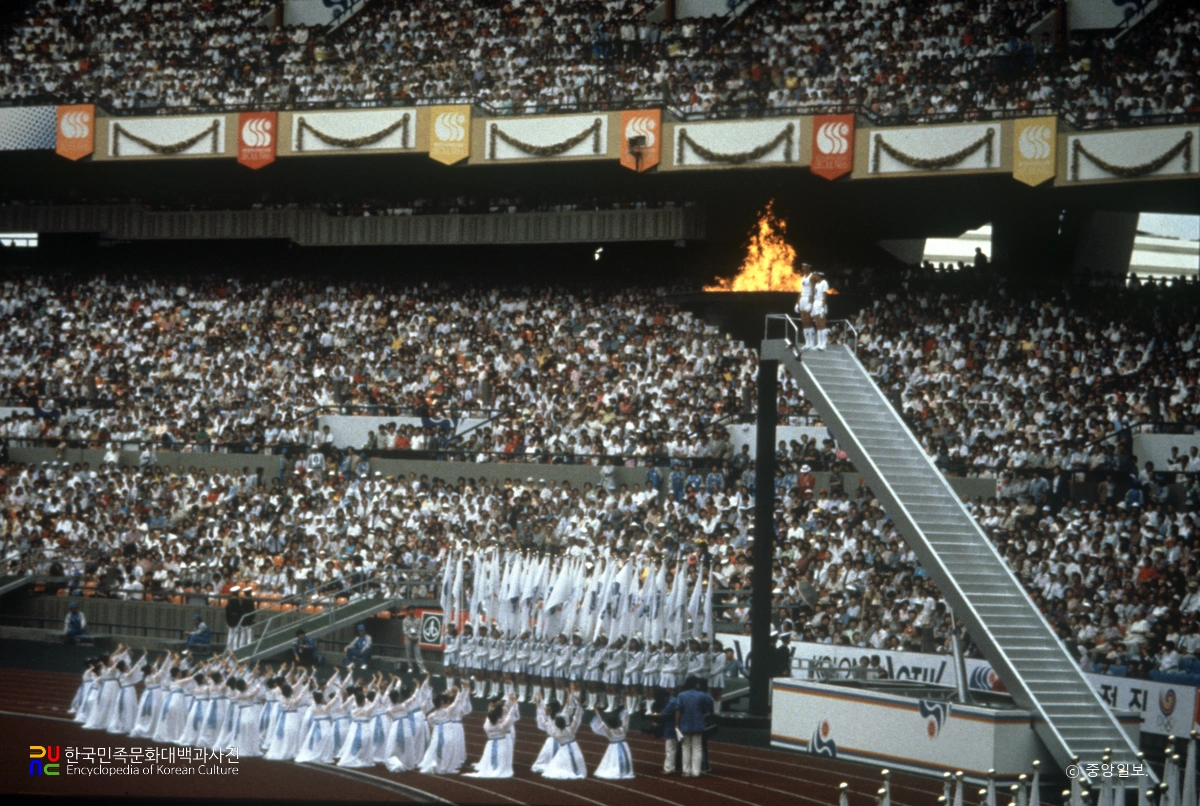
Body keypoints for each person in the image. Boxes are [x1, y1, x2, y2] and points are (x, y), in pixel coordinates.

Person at [419, 685, 471, 774]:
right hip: (447, 730)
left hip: (437, 730)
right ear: (442, 703)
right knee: (447, 747)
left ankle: (436, 762)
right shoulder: (447, 711)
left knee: (435, 747)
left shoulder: (431, 715)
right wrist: (459, 691)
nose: (448, 703)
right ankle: (445, 765)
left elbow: (431, 724)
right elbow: (457, 702)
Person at [539, 685, 587, 780]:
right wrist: (572, 697)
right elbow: (573, 714)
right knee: (577, 760)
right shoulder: (569, 728)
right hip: (573, 745)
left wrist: (540, 702)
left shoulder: (554, 732)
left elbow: (548, 725)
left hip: (562, 746)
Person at [465, 694, 519, 778]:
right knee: (502, 757)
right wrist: (515, 704)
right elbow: (510, 716)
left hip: (490, 744)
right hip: (502, 743)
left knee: (491, 757)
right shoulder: (502, 727)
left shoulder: (486, 726)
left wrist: (489, 710)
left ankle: (493, 768)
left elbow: (491, 716)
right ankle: (500, 768)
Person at [674, 675, 713, 778]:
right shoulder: (702, 695)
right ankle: (696, 771)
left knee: (685, 747)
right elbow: (708, 708)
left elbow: (678, 710)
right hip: (698, 723)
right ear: (696, 684)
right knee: (697, 747)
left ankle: (686, 771)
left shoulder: (681, 695)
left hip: (685, 723)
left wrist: (677, 723)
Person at [590, 705, 635, 779]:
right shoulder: (623, 729)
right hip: (624, 745)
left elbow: (600, 721)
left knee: (612, 759)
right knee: (624, 757)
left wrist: (596, 710)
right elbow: (625, 718)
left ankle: (617, 770)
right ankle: (626, 770)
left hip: (613, 747)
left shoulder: (609, 731)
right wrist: (625, 704)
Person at [656, 686, 682, 774]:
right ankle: (672, 766)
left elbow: (664, 714)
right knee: (672, 748)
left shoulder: (671, 702)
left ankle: (668, 768)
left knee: (670, 748)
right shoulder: (672, 700)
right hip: (671, 727)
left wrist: (653, 714)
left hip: (671, 727)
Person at [794, 262, 816, 350]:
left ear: (808, 267)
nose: (802, 268)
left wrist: (811, 303)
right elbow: (801, 291)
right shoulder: (803, 277)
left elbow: (814, 291)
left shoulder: (812, 277)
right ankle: (807, 342)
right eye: (802, 267)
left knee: (808, 321)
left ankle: (812, 342)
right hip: (803, 298)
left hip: (808, 298)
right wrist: (797, 303)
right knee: (804, 322)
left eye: (804, 267)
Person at [399, 606, 426, 674]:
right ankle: (410, 667)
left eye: (412, 610)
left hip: (416, 639)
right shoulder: (405, 620)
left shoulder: (418, 620)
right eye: (410, 610)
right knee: (409, 653)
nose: (411, 611)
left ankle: (422, 669)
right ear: (408, 611)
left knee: (418, 653)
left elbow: (420, 629)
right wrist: (410, 637)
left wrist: (417, 637)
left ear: (414, 611)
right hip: (408, 638)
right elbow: (404, 630)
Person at [811, 270, 831, 350]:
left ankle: (823, 343)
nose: (815, 276)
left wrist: (822, 308)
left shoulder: (824, 282)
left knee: (822, 325)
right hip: (815, 304)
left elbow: (824, 296)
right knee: (817, 325)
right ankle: (819, 343)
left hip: (820, 304)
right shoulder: (816, 284)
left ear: (819, 275)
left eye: (816, 275)